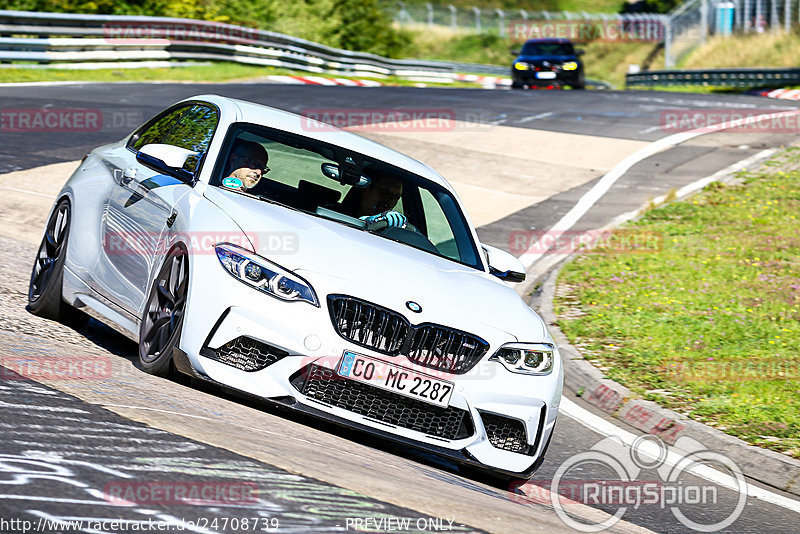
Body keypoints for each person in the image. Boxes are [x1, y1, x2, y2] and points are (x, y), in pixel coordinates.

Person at [340, 174, 406, 228]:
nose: (390, 199)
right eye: (385, 192)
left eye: (396, 197)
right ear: (365, 190)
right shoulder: (337, 215)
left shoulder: (390, 229)